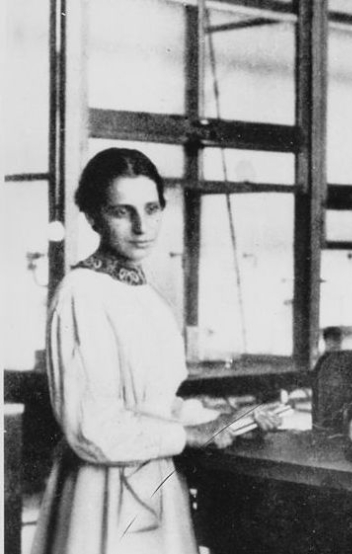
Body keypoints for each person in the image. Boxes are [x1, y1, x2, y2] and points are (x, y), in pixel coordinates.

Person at [32, 148, 281, 554]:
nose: (141, 226)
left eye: (151, 209)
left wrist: (226, 421)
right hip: (102, 493)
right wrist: (190, 434)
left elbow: (156, 404)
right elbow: (90, 427)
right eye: (122, 212)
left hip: (157, 480)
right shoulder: (81, 294)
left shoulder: (146, 294)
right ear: (93, 217)